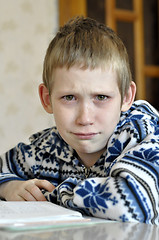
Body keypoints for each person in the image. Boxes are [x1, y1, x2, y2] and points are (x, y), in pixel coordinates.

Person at [0, 16, 159, 225]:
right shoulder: (47, 147)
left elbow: (133, 204)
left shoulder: (143, 133)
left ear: (126, 97)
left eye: (101, 97)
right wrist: (8, 186)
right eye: (69, 98)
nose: (84, 118)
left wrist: (49, 196)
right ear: (47, 99)